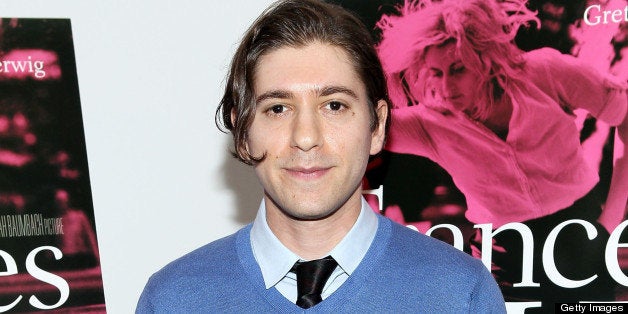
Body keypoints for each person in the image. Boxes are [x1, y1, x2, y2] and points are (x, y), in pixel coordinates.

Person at [136, 0, 505, 312]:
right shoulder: (174, 299)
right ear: (243, 133)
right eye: (278, 109)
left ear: (377, 127)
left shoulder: (460, 294)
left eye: (334, 105)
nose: (306, 138)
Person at [376, 0, 627, 309]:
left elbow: (625, 115)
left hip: (581, 236)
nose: (446, 86)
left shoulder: (547, 73)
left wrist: (612, 217)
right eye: (436, 72)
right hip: (502, 259)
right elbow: (352, 126)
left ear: (485, 59)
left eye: (458, 69)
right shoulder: (430, 124)